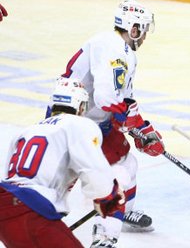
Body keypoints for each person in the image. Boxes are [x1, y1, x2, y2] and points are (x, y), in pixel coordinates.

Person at [48, 0, 165, 247]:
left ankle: (119, 216)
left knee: (125, 162)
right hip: (77, 121)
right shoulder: (116, 50)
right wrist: (135, 127)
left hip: (88, 119)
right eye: (142, 30)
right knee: (74, 175)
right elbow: (105, 99)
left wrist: (140, 127)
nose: (144, 36)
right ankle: (102, 233)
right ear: (133, 29)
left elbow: (122, 101)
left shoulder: (113, 46)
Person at [0, 77, 126, 248]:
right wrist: (107, 195)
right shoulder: (80, 124)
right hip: (33, 210)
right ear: (81, 106)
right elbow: (92, 169)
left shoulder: (26, 131)